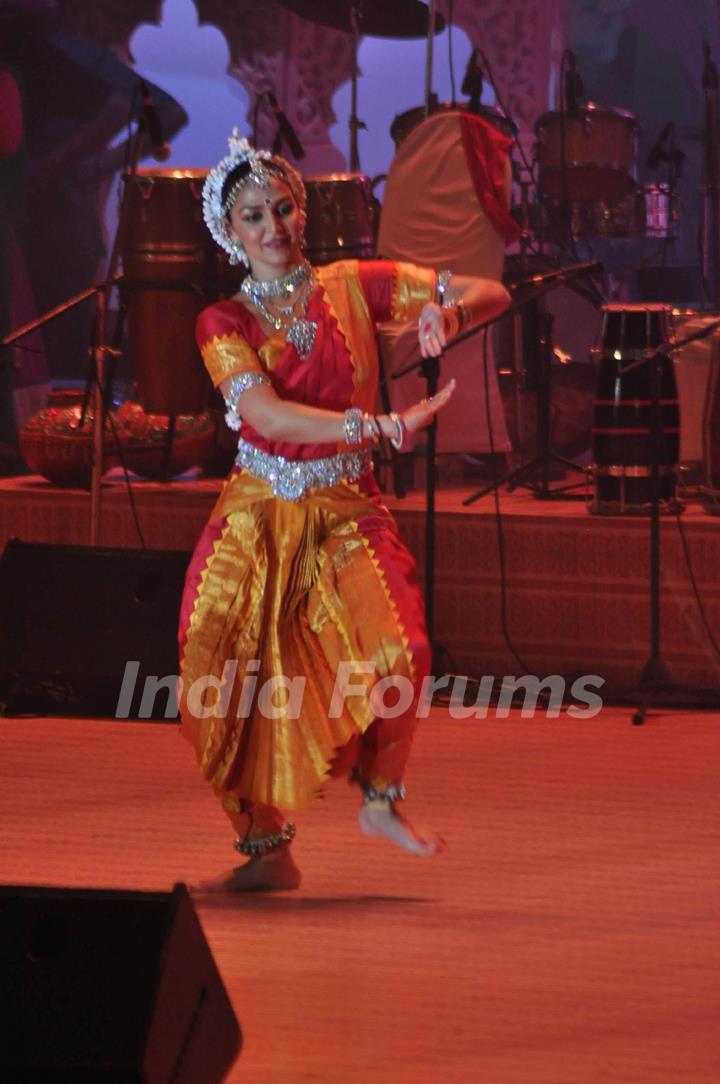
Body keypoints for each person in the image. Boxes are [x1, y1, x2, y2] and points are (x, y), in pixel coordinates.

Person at [178, 131, 510, 892]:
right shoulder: (221, 322)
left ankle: (380, 799)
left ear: (303, 209)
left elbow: (490, 289)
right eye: (254, 217)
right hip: (255, 517)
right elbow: (270, 417)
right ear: (232, 234)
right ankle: (265, 847)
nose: (275, 228)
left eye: (284, 208)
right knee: (213, 682)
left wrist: (444, 319)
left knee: (403, 655)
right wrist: (379, 426)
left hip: (344, 508)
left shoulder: (355, 285)